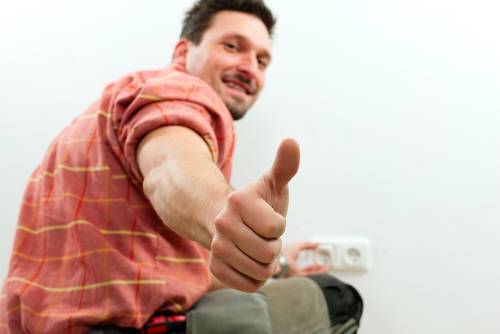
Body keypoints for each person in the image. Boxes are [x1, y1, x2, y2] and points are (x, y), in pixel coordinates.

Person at [0, 1, 362, 333]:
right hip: (130, 327)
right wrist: (221, 210)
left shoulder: (94, 120)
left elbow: (184, 270)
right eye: (232, 46)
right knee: (337, 296)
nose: (249, 67)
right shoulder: (177, 90)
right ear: (183, 51)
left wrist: (273, 261)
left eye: (262, 60)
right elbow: (170, 168)